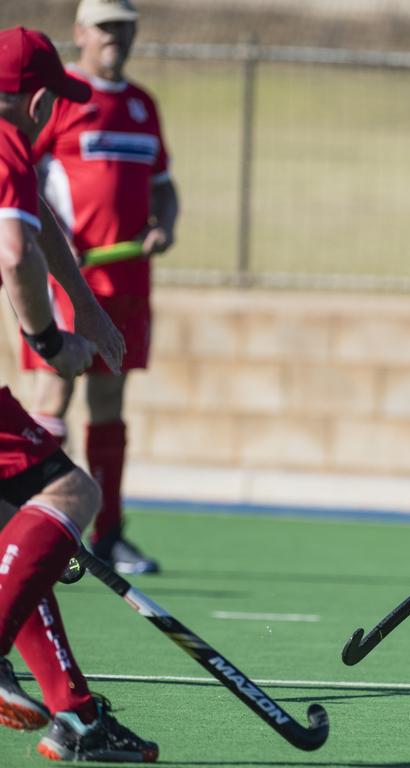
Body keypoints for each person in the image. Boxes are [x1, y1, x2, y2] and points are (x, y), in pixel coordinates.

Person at [0, 25, 157, 761]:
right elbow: (14, 248)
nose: (51, 116)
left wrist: (85, 305)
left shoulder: (15, 156)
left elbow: (41, 221)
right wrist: (49, 339)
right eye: (49, 103)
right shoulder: (4, 144)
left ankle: (79, 716)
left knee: (18, 533)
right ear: (33, 100)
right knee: (70, 496)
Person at [22, 0, 178, 575]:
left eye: (126, 28)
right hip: (67, 281)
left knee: (110, 404)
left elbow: (165, 187)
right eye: (106, 28)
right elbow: (23, 185)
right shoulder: (59, 102)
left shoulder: (142, 105)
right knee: (53, 397)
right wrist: (51, 244)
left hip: (128, 281)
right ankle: (40, 527)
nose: (117, 37)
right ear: (81, 33)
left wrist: (165, 223)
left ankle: (108, 533)